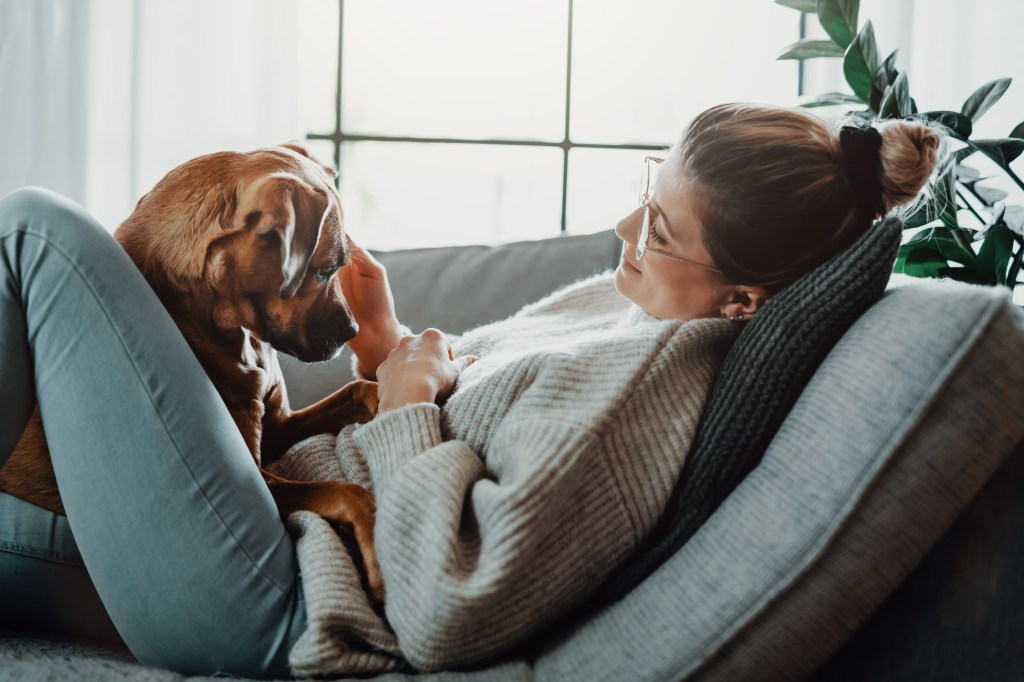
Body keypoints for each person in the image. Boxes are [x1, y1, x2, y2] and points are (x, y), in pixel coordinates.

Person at [0, 103, 943, 678]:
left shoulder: (647, 389)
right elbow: (456, 414)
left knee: (34, 233)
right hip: (254, 516)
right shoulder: (619, 310)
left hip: (271, 591)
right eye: (647, 184)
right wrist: (386, 349)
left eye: (657, 225)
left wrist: (406, 407)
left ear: (743, 299)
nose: (621, 223)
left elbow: (452, 603)